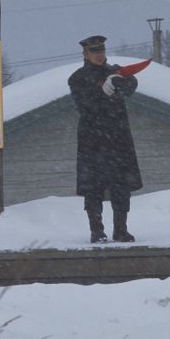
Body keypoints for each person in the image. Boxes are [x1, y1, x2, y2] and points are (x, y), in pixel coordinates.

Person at [68, 35, 142, 243]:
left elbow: (131, 86)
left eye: (101, 51)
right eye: (94, 52)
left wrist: (125, 80)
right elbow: (85, 105)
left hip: (118, 139)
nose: (99, 55)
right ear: (85, 54)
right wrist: (102, 90)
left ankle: (121, 229)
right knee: (94, 188)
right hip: (93, 140)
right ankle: (97, 231)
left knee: (121, 186)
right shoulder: (77, 78)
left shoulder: (114, 71)